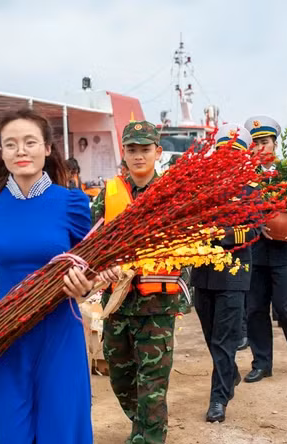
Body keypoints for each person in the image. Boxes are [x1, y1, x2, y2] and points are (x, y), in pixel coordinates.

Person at [0, 108, 93, 443]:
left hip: (61, 336)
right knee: (13, 434)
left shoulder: (72, 203)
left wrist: (85, 287)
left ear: (47, 148)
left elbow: (91, 269)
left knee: (61, 433)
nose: (21, 150)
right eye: (11, 144)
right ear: (2, 152)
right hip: (9, 340)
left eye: (30, 142)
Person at [91, 120, 187, 444]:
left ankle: (149, 437)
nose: (138, 156)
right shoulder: (108, 195)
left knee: (153, 384)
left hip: (156, 307)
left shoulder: (173, 195)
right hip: (117, 305)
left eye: (145, 149)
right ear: (124, 152)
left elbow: (190, 247)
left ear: (157, 152)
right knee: (120, 378)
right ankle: (142, 428)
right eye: (132, 149)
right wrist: (102, 268)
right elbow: (92, 243)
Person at [191, 124, 257, 423]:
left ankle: (218, 399)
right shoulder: (201, 187)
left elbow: (253, 230)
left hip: (233, 273)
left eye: (233, 154)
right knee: (211, 336)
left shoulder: (251, 190)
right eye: (222, 153)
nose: (227, 159)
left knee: (224, 340)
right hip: (203, 273)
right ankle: (229, 373)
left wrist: (220, 234)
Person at [242, 116, 287, 384]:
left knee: (284, 305)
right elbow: (239, 210)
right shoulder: (246, 176)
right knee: (255, 308)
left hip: (286, 249)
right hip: (257, 250)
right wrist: (255, 224)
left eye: (265, 142)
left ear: (275, 143)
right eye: (255, 143)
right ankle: (261, 363)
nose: (260, 147)